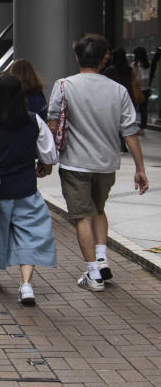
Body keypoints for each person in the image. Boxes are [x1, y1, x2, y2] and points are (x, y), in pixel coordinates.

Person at [48, 34, 149, 292]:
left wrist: (44, 159)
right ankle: (102, 259)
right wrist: (140, 168)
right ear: (104, 59)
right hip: (106, 163)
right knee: (99, 209)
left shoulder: (63, 86)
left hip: (75, 164)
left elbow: (52, 125)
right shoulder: (118, 90)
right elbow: (130, 132)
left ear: (77, 57)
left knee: (82, 216)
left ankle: (93, 273)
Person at [0, 74, 58, 305]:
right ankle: (27, 285)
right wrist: (42, 165)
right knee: (29, 234)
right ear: (21, 97)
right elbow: (50, 154)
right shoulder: (34, 121)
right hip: (26, 188)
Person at [132, 47, 151, 134]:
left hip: (137, 89)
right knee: (144, 109)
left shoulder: (135, 65)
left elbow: (138, 78)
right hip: (146, 89)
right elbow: (146, 78)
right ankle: (142, 128)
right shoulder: (147, 65)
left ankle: (133, 126)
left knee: (133, 108)